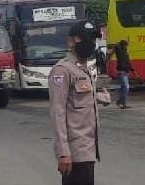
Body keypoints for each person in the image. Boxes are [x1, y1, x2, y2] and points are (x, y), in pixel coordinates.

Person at [48, 20, 102, 185]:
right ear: (71, 41)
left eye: (92, 39)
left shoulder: (84, 69)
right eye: (84, 39)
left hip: (88, 150)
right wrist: (63, 152)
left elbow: (85, 99)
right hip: (74, 153)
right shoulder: (62, 70)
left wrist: (103, 98)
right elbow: (58, 113)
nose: (89, 43)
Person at [113, 39, 133, 109]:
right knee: (125, 88)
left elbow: (129, 62)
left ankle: (121, 102)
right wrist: (118, 43)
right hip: (121, 72)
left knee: (124, 88)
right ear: (123, 46)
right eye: (125, 45)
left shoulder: (125, 53)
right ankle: (122, 102)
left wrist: (133, 70)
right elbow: (116, 47)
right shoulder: (119, 52)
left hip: (125, 72)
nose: (126, 47)